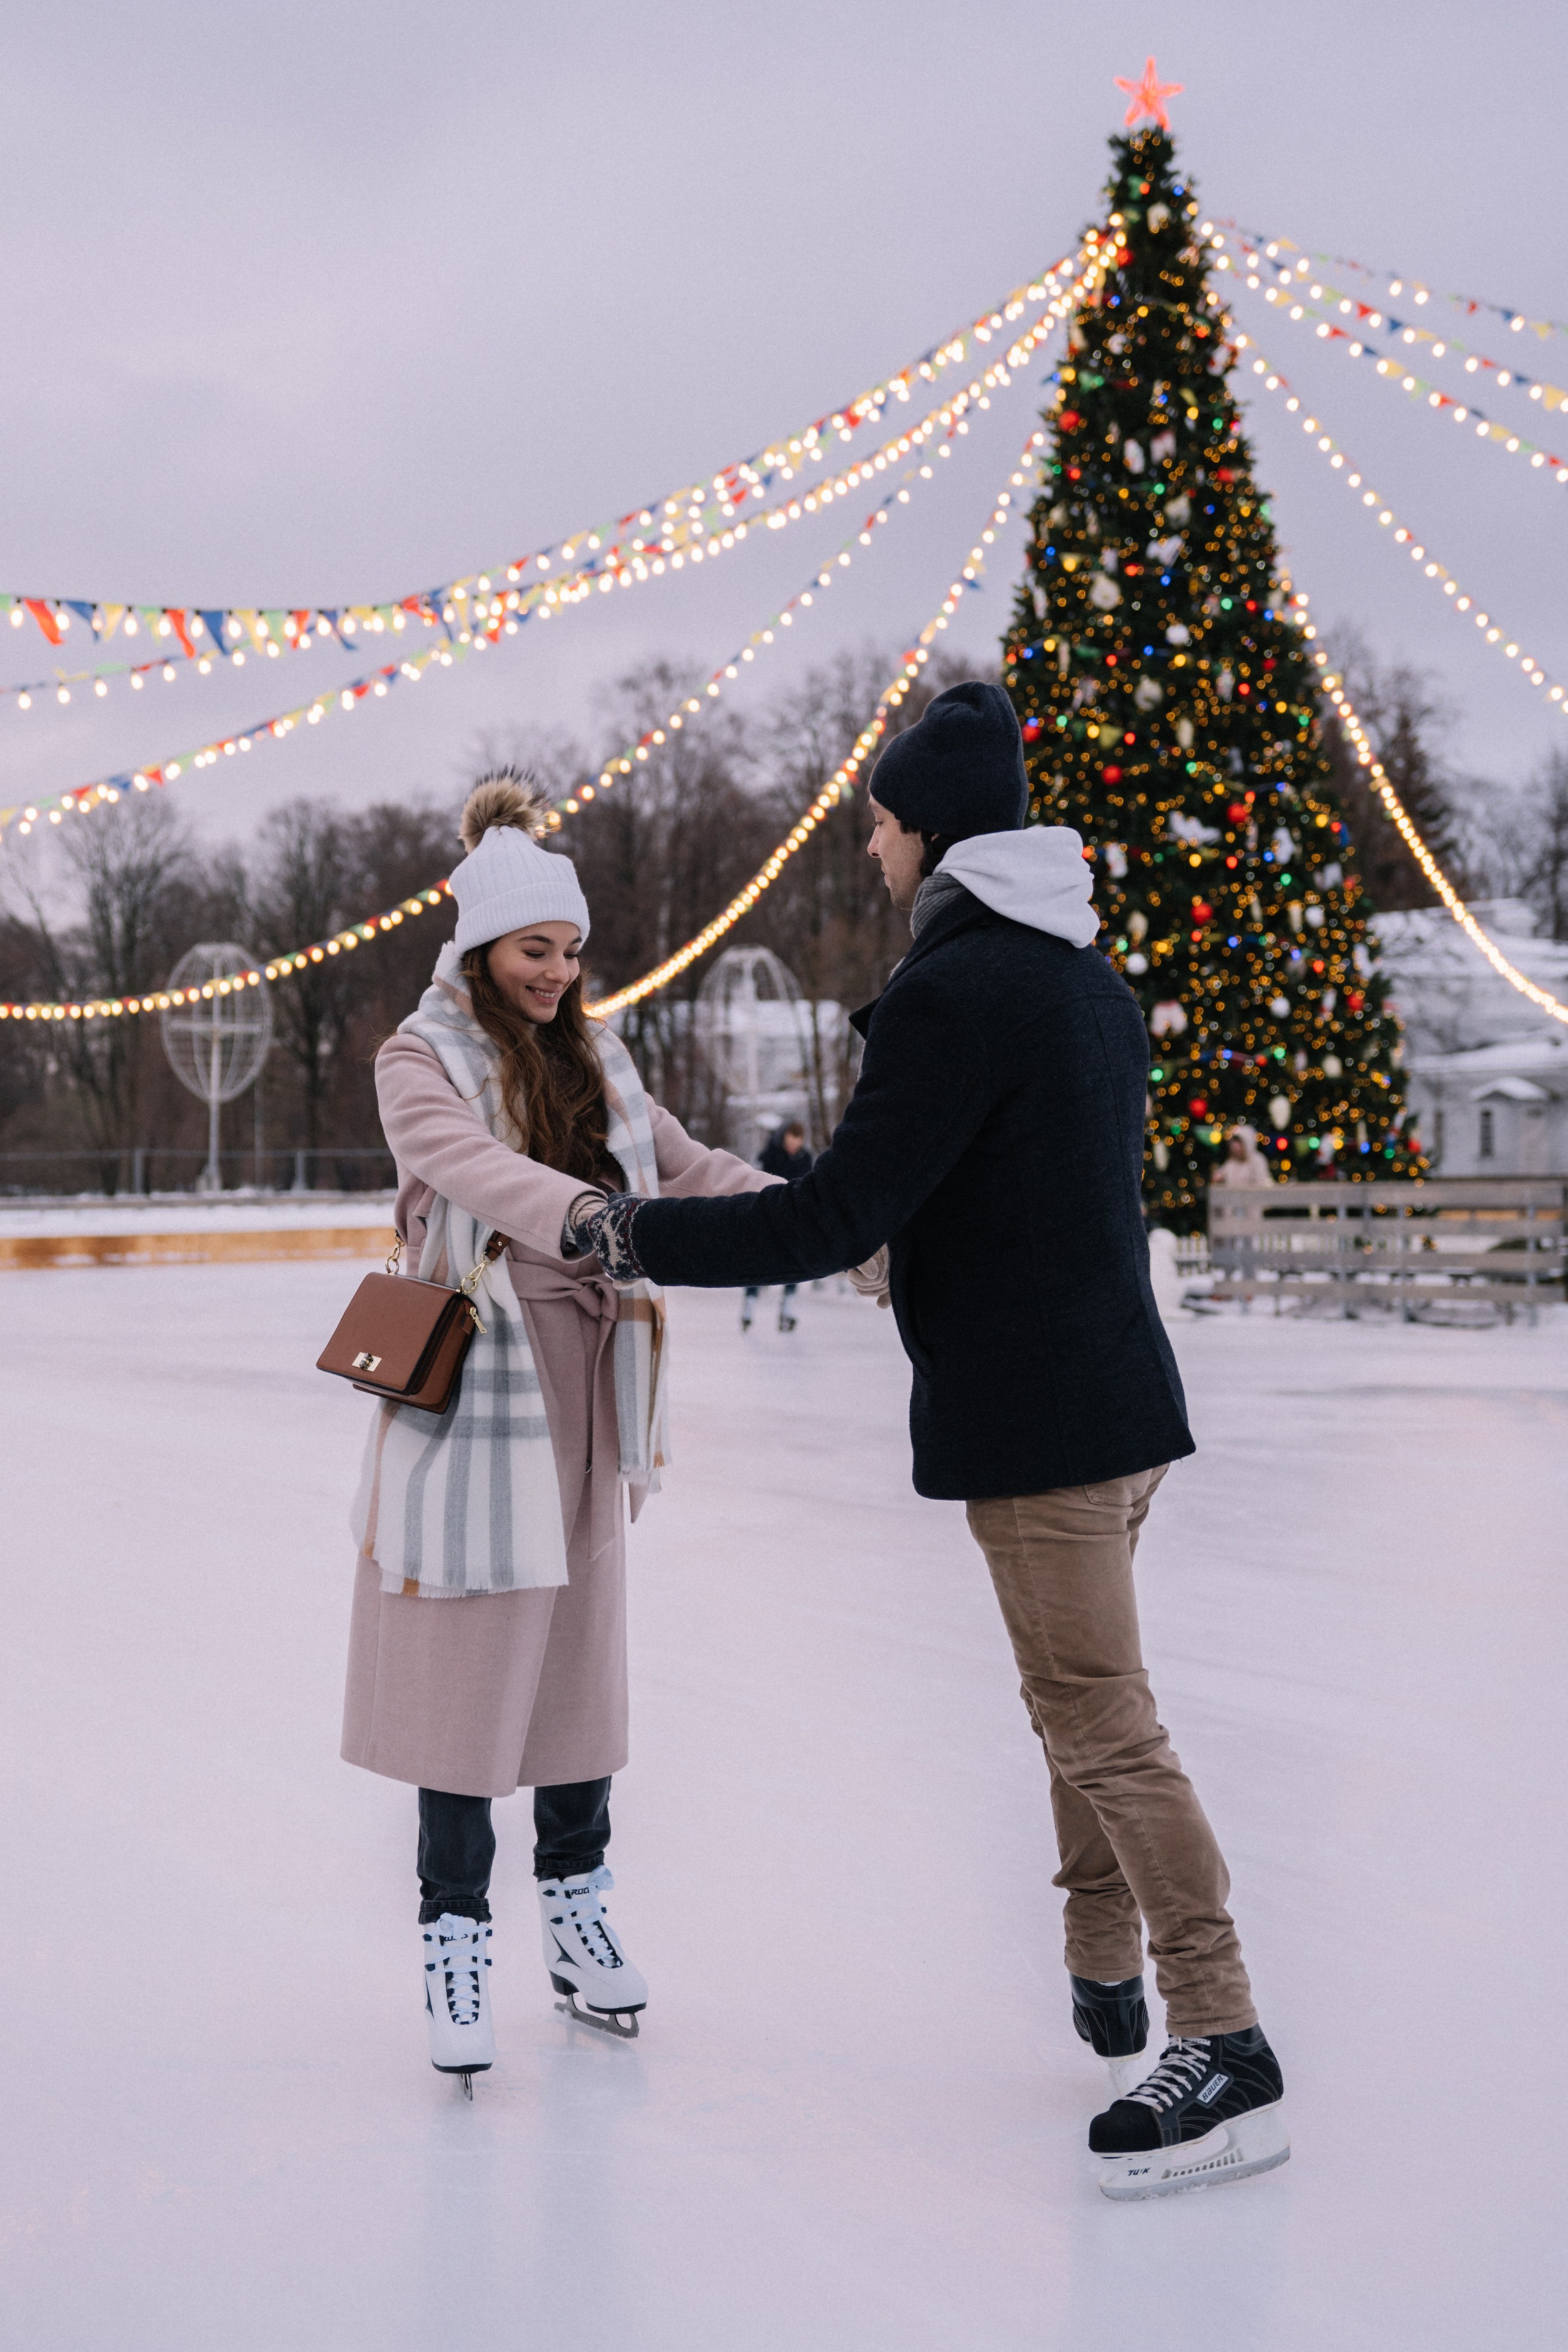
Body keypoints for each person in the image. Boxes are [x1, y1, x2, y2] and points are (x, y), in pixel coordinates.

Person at [564, 684, 1287, 2200]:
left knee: (1096, 1715)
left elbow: (830, 1212)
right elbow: (1028, 1185)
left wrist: (627, 1232)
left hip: (1038, 1425)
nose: (872, 854)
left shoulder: (954, 993)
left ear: (934, 832)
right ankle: (1103, 1969)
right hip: (1115, 1400)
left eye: (882, 826)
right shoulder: (1076, 972)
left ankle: (1220, 2037)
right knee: (1071, 1698)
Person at [341, 770, 775, 2091]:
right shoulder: (419, 1057)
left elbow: (686, 1170)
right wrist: (589, 1219)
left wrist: (828, 1224)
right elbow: (470, 1170)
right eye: (539, 949)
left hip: (590, 1378)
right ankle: (456, 1937)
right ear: (482, 947)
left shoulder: (599, 1051)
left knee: (578, 1665)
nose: (560, 971)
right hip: (478, 1383)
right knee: (469, 1673)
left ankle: (577, 1915)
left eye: (573, 950)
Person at [742, 1120, 814, 1331]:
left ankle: (788, 1309)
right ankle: (749, 1306)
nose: (794, 1145)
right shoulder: (768, 1156)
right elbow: (756, 1183)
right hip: (768, 1216)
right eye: (790, 1140)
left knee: (794, 1263)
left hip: (794, 1219)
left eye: (797, 1141)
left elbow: (809, 1186)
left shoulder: (805, 1158)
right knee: (758, 1262)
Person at [1209, 1123, 1274, 1188]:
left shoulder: (1258, 1161)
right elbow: (1220, 1175)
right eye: (1234, 1143)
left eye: (1239, 1143)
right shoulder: (1231, 1163)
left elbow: (1262, 1183)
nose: (1235, 1147)